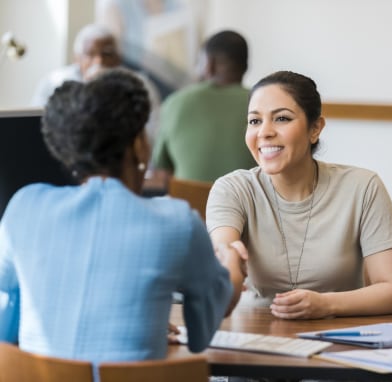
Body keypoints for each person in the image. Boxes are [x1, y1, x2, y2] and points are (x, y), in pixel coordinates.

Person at [0, 68, 246, 366]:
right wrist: (232, 264)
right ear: (138, 145)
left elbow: (7, 304)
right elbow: (201, 333)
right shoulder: (176, 222)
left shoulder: (24, 207)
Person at [207, 70, 392, 319]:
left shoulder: (363, 186)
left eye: (281, 118)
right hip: (254, 334)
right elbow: (225, 251)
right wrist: (229, 262)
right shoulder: (232, 188)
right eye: (254, 121)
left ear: (315, 129)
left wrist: (325, 304)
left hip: (338, 339)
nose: (264, 132)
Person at [149, 30, 257, 188]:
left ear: (209, 64)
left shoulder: (175, 102)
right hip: (244, 209)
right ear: (246, 66)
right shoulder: (262, 104)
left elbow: (162, 173)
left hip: (189, 207)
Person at [31, 23, 161, 145]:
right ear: (77, 58)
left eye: (107, 54)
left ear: (119, 57)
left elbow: (153, 132)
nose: (99, 61)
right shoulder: (53, 83)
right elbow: (38, 127)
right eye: (90, 54)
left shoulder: (140, 85)